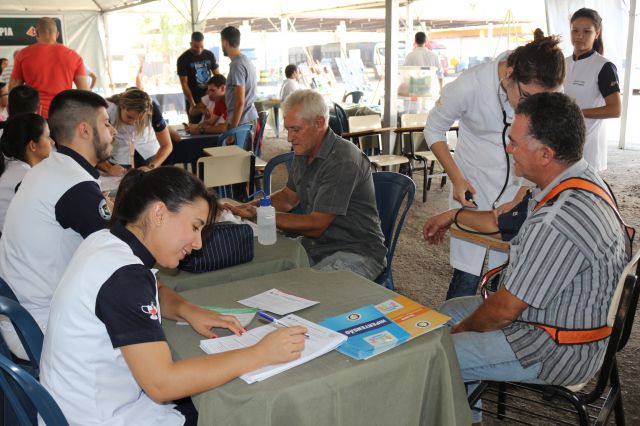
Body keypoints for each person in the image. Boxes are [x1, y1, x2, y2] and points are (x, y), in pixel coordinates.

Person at [40, 166, 307, 426]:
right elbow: (163, 384)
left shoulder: (106, 239)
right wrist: (260, 353)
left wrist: (187, 310)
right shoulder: (126, 278)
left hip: (79, 405)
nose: (198, 243)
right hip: (102, 416)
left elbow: (155, 289)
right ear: (159, 213)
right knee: (238, 411)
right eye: (194, 226)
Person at [423, 92, 630, 424]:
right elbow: (501, 223)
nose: (509, 149)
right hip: (572, 322)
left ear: (546, 154)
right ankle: (468, 417)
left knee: (434, 355)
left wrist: (462, 332)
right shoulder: (582, 180)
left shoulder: (557, 220)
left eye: (515, 143)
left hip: (556, 347)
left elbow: (504, 310)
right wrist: (453, 215)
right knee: (447, 312)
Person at [423, 30, 565, 299]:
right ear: (509, 74)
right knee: (467, 275)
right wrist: (457, 179)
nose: (532, 107)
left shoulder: (547, 90)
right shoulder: (470, 84)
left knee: (508, 275)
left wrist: (521, 195)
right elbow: (433, 129)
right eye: (526, 96)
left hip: (520, 185)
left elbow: (545, 144)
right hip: (472, 184)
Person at [0, 89, 116, 359]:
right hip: (44, 328)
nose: (113, 130)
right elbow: (120, 257)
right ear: (85, 130)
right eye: (106, 123)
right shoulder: (73, 185)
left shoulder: (48, 169)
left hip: (23, 317)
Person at [224, 89, 387, 280]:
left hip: (357, 251)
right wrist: (249, 207)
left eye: (296, 129)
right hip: (317, 245)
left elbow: (316, 225)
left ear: (319, 123)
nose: (289, 138)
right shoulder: (304, 150)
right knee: (257, 270)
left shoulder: (343, 160)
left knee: (308, 292)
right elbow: (288, 198)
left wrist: (259, 214)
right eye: (287, 129)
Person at [565, 8, 621, 172]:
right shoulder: (562, 63)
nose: (579, 36)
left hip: (589, 145)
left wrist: (577, 112)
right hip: (561, 141)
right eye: (575, 30)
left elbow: (615, 110)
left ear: (597, 33)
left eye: (586, 31)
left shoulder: (604, 66)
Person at [9, 17, 88, 118]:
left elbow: (14, 89)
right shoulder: (74, 56)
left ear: (37, 33)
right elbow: (85, 92)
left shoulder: (23, 54)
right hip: (63, 113)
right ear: (57, 34)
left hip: (34, 115)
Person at [98, 88, 172, 176]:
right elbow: (93, 148)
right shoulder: (107, 109)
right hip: (118, 158)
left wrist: (151, 166)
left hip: (149, 155)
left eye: (139, 119)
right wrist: (109, 168)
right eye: (130, 117)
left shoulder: (152, 109)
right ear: (122, 106)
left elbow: (167, 145)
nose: (133, 122)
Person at [0, 113, 54, 229]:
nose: (52, 142)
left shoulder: (11, 166)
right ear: (32, 145)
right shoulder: (28, 177)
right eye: (48, 136)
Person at [221, 26, 258, 139]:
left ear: (225, 42)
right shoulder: (245, 60)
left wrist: (232, 131)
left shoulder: (237, 65)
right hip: (246, 119)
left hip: (242, 122)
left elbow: (240, 102)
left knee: (237, 151)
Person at [177, 31, 219, 123]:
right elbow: (184, 84)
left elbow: (218, 77)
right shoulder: (183, 59)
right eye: (196, 47)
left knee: (211, 124)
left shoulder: (209, 55)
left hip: (209, 97)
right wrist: (193, 104)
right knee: (195, 126)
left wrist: (216, 94)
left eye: (202, 47)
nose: (199, 50)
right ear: (191, 44)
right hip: (194, 98)